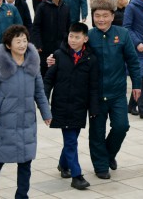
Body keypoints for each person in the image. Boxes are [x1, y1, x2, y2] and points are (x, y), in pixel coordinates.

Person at [0, 25, 53, 198]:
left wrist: (46, 113)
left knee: (25, 162)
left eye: (24, 40)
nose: (22, 44)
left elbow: (39, 92)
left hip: (27, 122)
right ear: (8, 45)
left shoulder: (33, 64)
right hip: (4, 122)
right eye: (18, 41)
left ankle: (22, 195)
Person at [86, 0, 143, 180]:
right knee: (97, 132)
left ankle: (108, 155)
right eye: (97, 16)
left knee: (121, 126)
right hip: (95, 94)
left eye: (105, 15)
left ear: (112, 15)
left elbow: (133, 62)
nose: (101, 19)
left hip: (117, 92)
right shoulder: (88, 36)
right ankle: (101, 165)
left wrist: (137, 85)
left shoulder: (123, 34)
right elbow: (70, 54)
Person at [45, 22, 100, 190]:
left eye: (77, 37)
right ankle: (77, 175)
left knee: (72, 139)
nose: (73, 40)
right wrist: (43, 102)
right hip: (61, 105)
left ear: (85, 39)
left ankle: (63, 164)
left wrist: (94, 108)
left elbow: (94, 86)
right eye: (71, 36)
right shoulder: (58, 55)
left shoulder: (91, 59)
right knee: (70, 141)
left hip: (79, 106)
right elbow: (48, 80)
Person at [31, 0, 70, 75]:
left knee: (60, 73)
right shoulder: (42, 7)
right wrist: (38, 43)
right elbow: (36, 26)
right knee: (45, 73)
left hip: (61, 46)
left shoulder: (66, 7)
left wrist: (67, 42)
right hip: (45, 46)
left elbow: (69, 27)